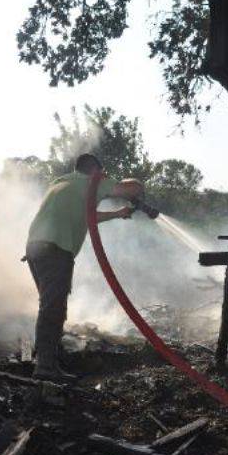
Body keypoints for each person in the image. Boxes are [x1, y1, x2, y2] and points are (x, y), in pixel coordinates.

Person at [25, 153, 143, 381]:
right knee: (53, 308)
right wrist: (132, 186)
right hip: (56, 249)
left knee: (51, 305)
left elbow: (88, 216)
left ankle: (47, 357)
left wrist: (118, 213)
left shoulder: (62, 182)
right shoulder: (94, 181)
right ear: (95, 171)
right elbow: (132, 188)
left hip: (35, 248)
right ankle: (45, 368)